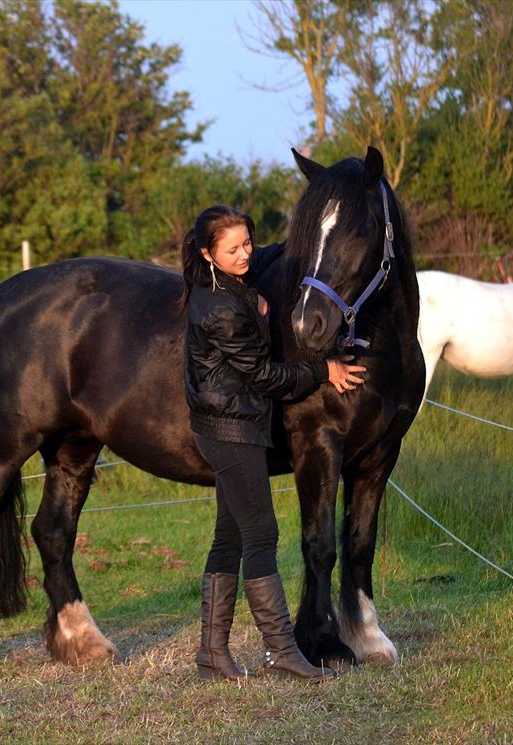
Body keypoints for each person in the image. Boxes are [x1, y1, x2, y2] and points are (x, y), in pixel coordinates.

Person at [181, 204, 366, 682]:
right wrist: (323, 369)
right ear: (208, 254)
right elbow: (265, 376)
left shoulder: (229, 283)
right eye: (233, 249)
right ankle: (282, 651)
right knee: (261, 537)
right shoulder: (220, 307)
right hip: (232, 429)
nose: (246, 254)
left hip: (228, 424)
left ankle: (211, 654)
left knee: (229, 538)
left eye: (248, 243)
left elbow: (275, 256)